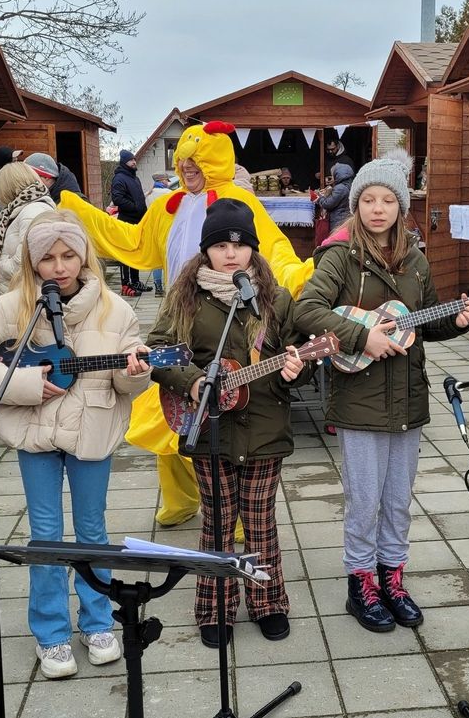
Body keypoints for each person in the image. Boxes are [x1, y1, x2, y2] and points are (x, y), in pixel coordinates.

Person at [58, 121, 313, 531]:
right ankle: (181, 500)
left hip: (231, 324)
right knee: (172, 414)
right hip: (181, 316)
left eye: (197, 159)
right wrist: (82, 213)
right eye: (183, 160)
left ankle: (240, 519)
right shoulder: (165, 204)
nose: (189, 167)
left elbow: (273, 249)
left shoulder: (237, 201)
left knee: (228, 421)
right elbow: (133, 241)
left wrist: (301, 276)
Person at [0, 209, 152, 678]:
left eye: (69, 256)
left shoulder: (114, 309)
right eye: (48, 258)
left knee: (92, 532)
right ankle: (51, 633)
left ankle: (99, 621)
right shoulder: (12, 306)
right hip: (35, 433)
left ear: (84, 257)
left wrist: (133, 373)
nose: (59, 267)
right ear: (32, 262)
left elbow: (126, 383)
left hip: (92, 431)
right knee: (44, 534)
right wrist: (22, 384)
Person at [294, 150, 469, 633]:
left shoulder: (416, 260)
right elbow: (306, 311)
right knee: (364, 498)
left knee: (398, 497)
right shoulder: (340, 257)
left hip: (408, 401)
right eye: (368, 200)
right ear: (356, 206)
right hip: (359, 401)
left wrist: (457, 321)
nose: (378, 209)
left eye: (387, 200)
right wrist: (363, 336)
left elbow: (425, 323)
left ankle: (392, 577)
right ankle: (361, 582)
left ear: (400, 206)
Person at [148, 199, 308, 647]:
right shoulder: (186, 297)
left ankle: (267, 601)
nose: (231, 253)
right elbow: (158, 350)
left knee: (260, 518)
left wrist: (301, 368)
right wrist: (195, 382)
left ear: (253, 250)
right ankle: (214, 607)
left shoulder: (275, 299)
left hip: (265, 428)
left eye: (240, 244)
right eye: (220, 245)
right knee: (217, 521)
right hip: (209, 427)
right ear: (206, 251)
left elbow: (300, 353)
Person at [0, 162, 55, 297]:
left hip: (25, 296)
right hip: (19, 293)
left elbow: (26, 260)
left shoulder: (33, 211)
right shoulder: (21, 209)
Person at [109, 150, 149, 296]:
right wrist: (134, 208)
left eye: (134, 160)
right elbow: (118, 199)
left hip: (137, 221)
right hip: (126, 220)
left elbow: (139, 198)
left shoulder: (134, 178)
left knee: (135, 252)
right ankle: (126, 284)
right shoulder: (119, 178)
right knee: (126, 253)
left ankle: (136, 281)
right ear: (124, 162)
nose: (134, 162)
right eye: (131, 160)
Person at [145, 173, 174, 296]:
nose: (168, 182)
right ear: (162, 181)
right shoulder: (167, 193)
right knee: (167, 259)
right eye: (167, 180)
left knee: (157, 261)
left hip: (153, 230)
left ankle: (158, 288)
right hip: (166, 229)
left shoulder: (148, 194)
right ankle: (170, 287)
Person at [314, 162, 354, 230]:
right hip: (345, 218)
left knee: (336, 239)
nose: (332, 177)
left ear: (337, 174)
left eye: (333, 175)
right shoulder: (350, 185)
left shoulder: (340, 188)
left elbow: (328, 204)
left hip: (338, 220)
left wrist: (319, 198)